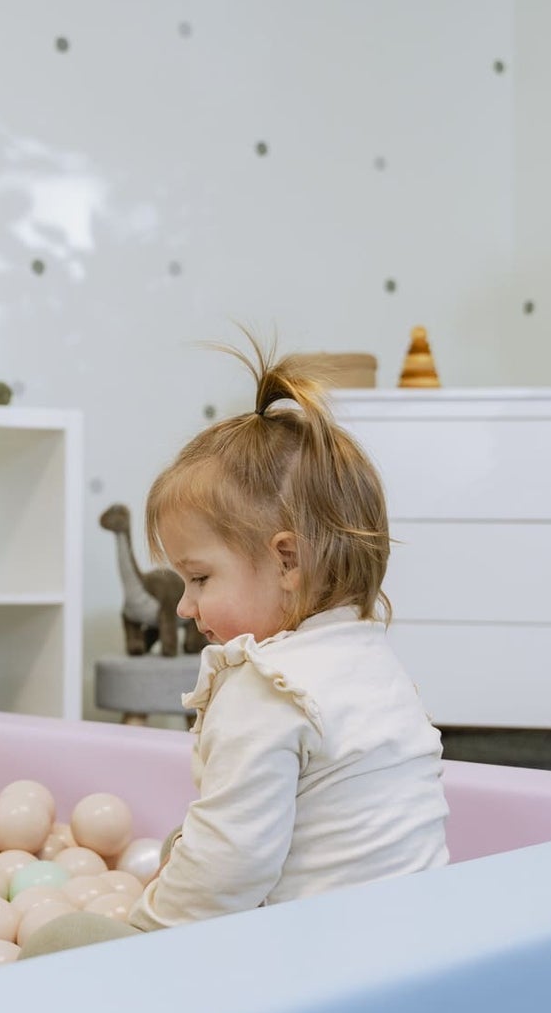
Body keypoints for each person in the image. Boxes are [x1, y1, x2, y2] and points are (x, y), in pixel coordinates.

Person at [125, 336, 449, 932]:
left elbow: (226, 875)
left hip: (316, 968)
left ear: (287, 562)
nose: (185, 607)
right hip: (416, 939)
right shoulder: (369, 659)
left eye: (198, 578)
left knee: (62, 944)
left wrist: (135, 931)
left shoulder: (268, 687)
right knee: (181, 847)